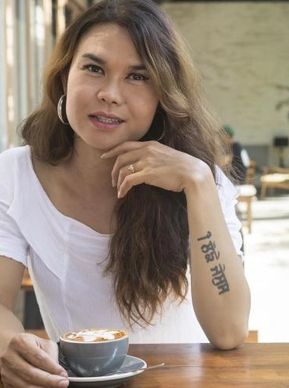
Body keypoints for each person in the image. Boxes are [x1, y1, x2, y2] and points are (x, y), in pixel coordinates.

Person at [0, 0, 250, 387]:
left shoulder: (201, 179)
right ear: (65, 75)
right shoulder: (15, 175)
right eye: (94, 68)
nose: (110, 94)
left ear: (163, 95)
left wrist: (199, 187)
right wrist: (12, 346)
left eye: (138, 77)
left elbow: (229, 331)